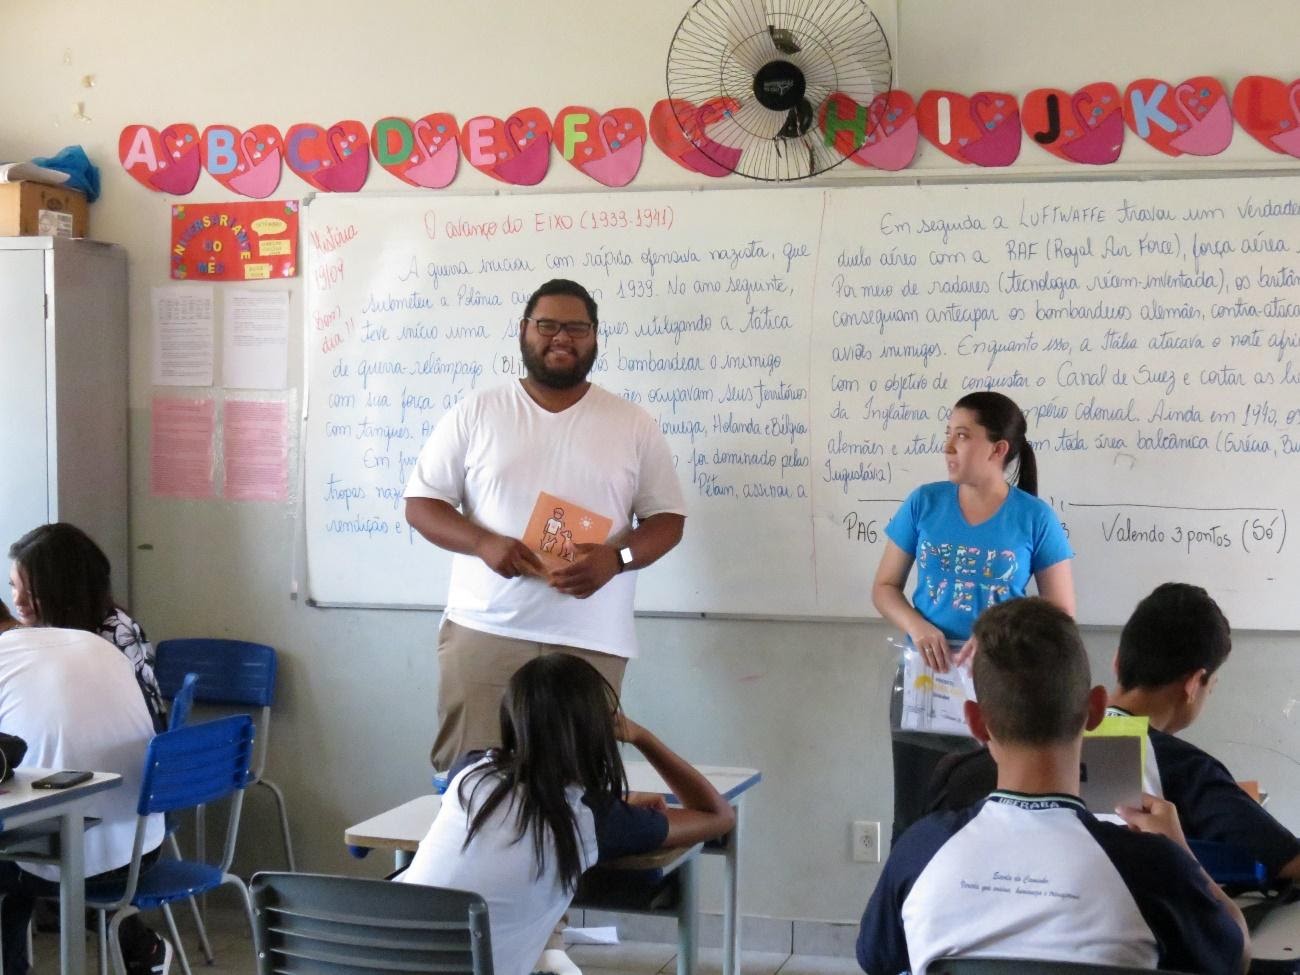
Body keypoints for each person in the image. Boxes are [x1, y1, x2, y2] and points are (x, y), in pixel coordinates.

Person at [857, 598, 1248, 975]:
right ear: (1095, 710)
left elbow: (877, 959)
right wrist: (1184, 854)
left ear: (975, 723)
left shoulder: (920, 851)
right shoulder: (1155, 869)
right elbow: (1235, 958)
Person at [403, 278, 686, 772]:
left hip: (590, 642)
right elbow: (422, 505)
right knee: (469, 786)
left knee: (580, 790)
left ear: (595, 336)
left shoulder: (632, 424)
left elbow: (667, 521)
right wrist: (483, 542)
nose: (561, 338)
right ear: (523, 331)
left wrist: (616, 560)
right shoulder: (478, 411)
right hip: (486, 632)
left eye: (576, 327)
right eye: (548, 325)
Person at [925, 583, 1300, 884]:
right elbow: (1289, 862)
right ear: (1194, 683)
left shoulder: (958, 772)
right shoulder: (1185, 769)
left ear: (1117, 660)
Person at [399, 653, 735, 975]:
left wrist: (621, 803)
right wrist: (642, 737)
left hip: (376, 956)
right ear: (595, 732)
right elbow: (717, 816)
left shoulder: (470, 771)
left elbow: (518, 806)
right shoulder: (590, 818)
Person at [871, 391, 1074, 838]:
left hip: (1000, 686)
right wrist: (918, 626)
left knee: (990, 821)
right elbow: (885, 588)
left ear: (998, 449)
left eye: (962, 436)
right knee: (915, 818)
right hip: (926, 680)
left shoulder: (1035, 517)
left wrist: (1006, 631)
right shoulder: (924, 503)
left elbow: (1061, 611)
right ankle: (909, 907)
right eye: (948, 435)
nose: (949, 448)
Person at [0, 604, 172, 975]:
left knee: (12, 858)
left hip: (74, 858)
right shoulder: (91, 641)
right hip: (146, 844)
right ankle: (139, 945)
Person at [8, 523, 166, 732]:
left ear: (65, 590)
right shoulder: (43, 629)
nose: (18, 601)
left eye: (30, 593)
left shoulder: (115, 633)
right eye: (13, 586)